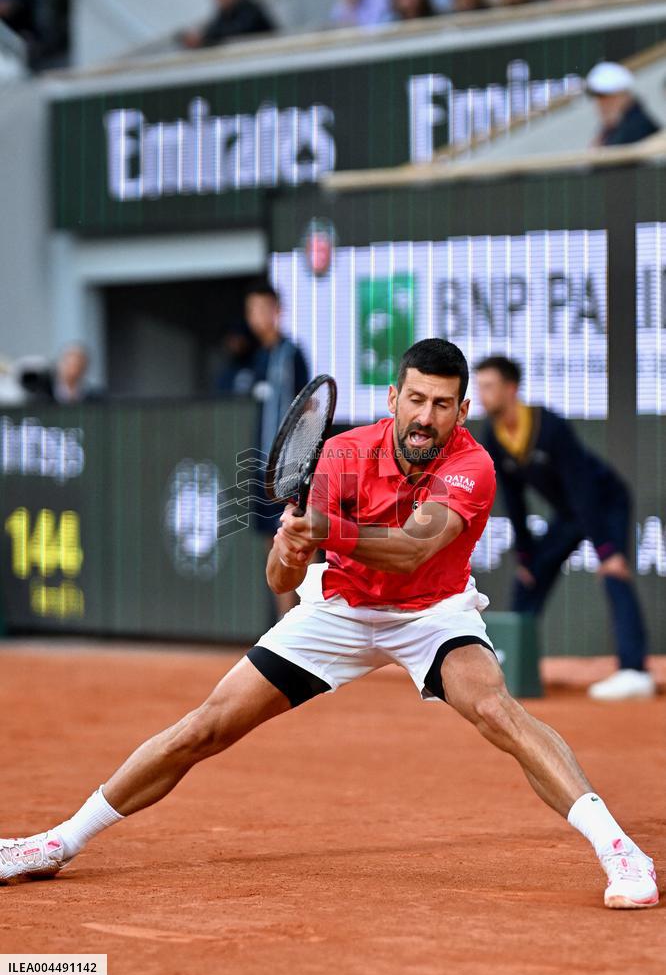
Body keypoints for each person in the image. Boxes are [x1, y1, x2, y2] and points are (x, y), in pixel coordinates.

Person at [0, 340, 658, 910]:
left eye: (442, 405)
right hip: (339, 611)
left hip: (431, 613)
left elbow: (411, 548)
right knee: (204, 727)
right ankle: (58, 841)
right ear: (395, 396)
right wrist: (288, 552)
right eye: (417, 400)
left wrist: (325, 530)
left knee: (496, 711)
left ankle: (621, 852)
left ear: (461, 412)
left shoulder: (472, 464)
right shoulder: (343, 453)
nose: (426, 417)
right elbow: (282, 583)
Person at [474, 355, 655, 702]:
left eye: (489, 386)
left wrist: (606, 549)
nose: (482, 394)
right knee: (528, 577)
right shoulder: (494, 437)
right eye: (480, 386)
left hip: (605, 502)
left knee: (614, 573)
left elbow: (582, 487)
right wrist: (526, 554)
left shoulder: (550, 426)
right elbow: (514, 500)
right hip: (570, 513)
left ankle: (635, 672)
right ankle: (504, 663)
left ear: (511, 389)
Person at [243, 283, 309, 618]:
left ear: (276, 311)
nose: (256, 317)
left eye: (262, 309)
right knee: (274, 543)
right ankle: (284, 626)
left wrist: (298, 464)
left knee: (297, 541)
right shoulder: (258, 358)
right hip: (263, 467)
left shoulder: (292, 355)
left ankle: (304, 621)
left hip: (291, 469)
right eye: (251, 310)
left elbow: (309, 408)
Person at [586, 61, 660, 147]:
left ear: (624, 96)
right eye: (599, 99)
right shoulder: (613, 128)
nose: (601, 105)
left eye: (607, 97)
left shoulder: (637, 126)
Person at [180, 0, 275, 50]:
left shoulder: (250, 7)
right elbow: (214, 30)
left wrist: (204, 39)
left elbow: (237, 30)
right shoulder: (223, 13)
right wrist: (200, 39)